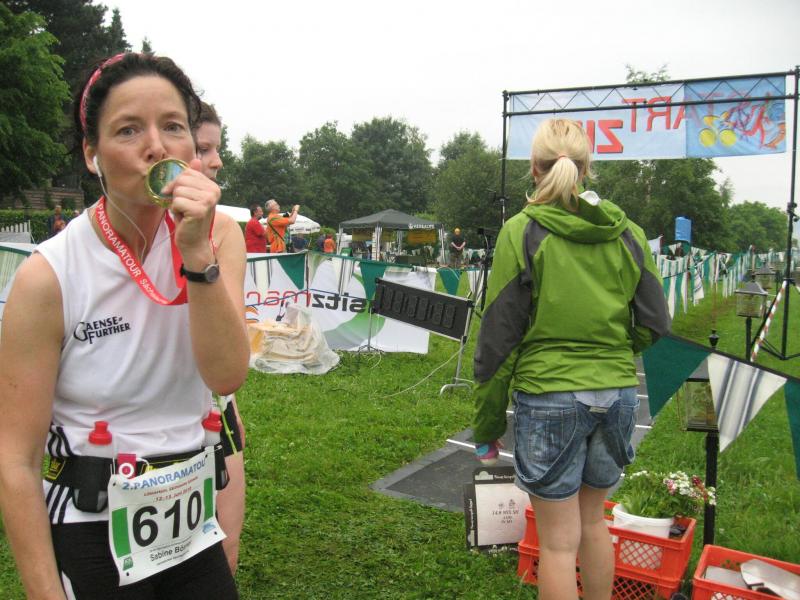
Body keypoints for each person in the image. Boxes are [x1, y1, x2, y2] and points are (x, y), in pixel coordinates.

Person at [0, 52, 248, 599]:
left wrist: (195, 254)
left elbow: (226, 374)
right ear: (92, 154)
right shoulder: (49, 276)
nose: (156, 146)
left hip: (190, 522)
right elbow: (15, 459)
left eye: (173, 126)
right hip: (90, 520)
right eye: (128, 129)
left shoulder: (219, 236)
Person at [472, 118, 670, 600]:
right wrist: (613, 352)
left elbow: (498, 341)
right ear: (587, 168)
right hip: (619, 394)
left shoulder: (521, 231)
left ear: (533, 168)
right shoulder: (629, 234)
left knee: (559, 545)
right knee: (595, 523)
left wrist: (487, 424)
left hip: (550, 395)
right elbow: (654, 323)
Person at [193, 101, 247, 576]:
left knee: (224, 552)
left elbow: (230, 342)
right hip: (132, 433)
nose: (217, 161)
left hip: (213, 411)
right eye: (204, 148)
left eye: (217, 148)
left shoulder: (225, 230)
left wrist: (231, 405)